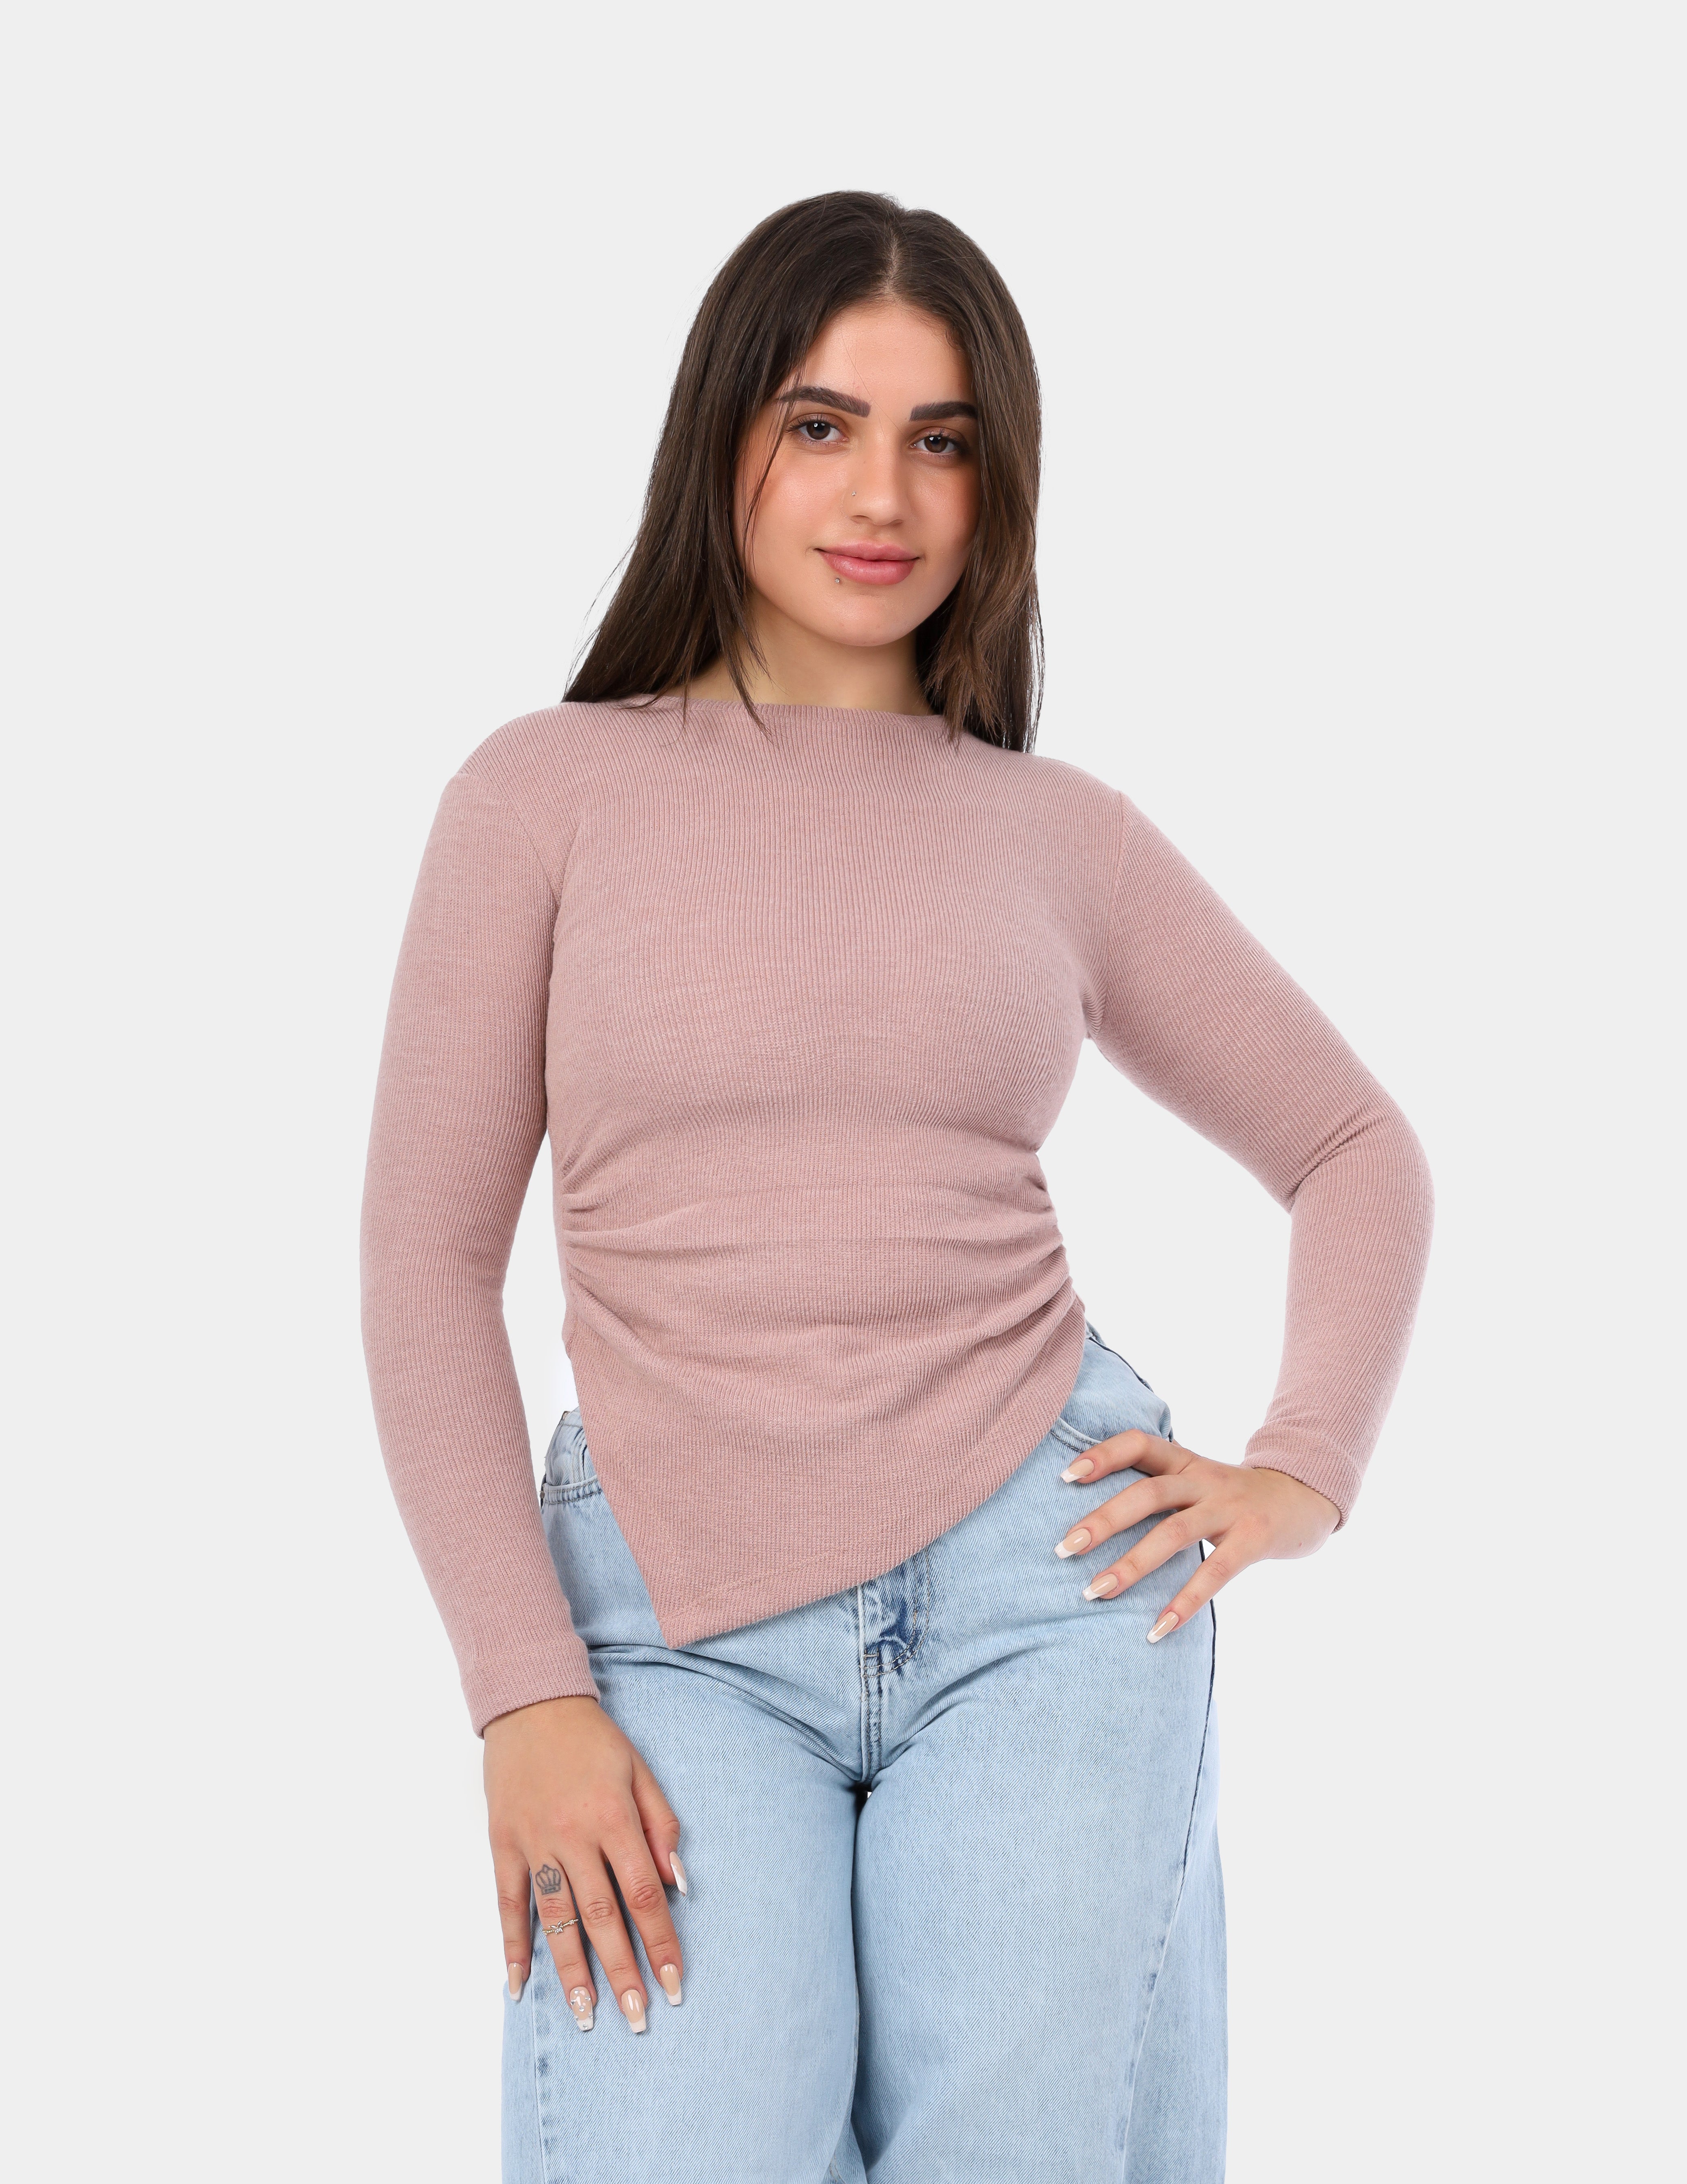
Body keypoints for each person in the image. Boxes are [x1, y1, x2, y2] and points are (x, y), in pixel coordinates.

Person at [360, 190, 1433, 2184]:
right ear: (722, 441)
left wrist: (1301, 1469)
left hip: (1052, 1585)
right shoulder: (542, 793)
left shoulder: (1056, 832)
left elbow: (1352, 1149)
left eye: (941, 439)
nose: (883, 494)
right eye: (821, 424)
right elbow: (426, 1263)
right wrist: (520, 1696)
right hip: (667, 1621)